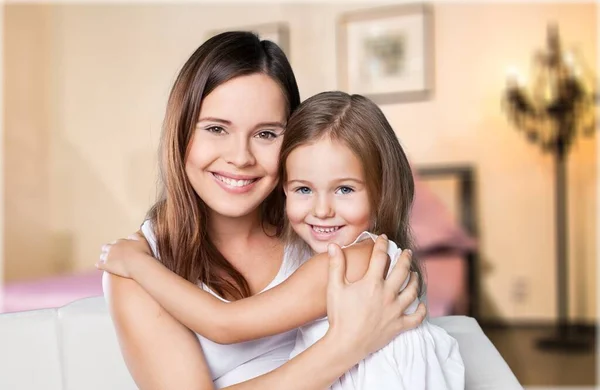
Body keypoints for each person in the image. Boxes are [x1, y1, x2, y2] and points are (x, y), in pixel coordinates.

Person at [101, 31, 426, 390]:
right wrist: (345, 346)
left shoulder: (325, 237)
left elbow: (224, 324)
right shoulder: (141, 268)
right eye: (215, 128)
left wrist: (346, 347)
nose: (240, 157)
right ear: (180, 133)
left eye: (267, 134)